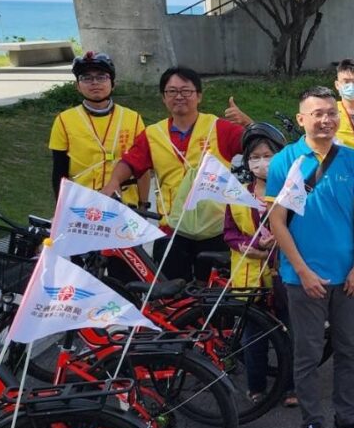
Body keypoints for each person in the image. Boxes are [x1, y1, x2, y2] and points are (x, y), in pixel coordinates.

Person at [265, 86, 354, 428]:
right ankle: (312, 425)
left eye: (331, 113)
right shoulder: (285, 161)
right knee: (308, 354)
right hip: (302, 278)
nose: (326, 119)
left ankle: (347, 419)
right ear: (301, 119)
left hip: (348, 276)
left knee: (349, 350)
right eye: (317, 114)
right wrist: (302, 270)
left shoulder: (352, 160)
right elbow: (277, 222)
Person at [103, 67, 245, 283]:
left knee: (217, 293)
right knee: (170, 294)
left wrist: (248, 123)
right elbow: (130, 162)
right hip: (171, 228)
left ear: (199, 96)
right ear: (164, 98)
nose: (179, 96)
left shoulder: (219, 128)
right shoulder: (153, 134)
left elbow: (261, 147)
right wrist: (114, 181)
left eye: (186, 91)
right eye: (172, 91)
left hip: (216, 228)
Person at [223, 121, 292, 408]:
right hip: (250, 275)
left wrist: (280, 242)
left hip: (285, 274)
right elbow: (229, 232)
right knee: (253, 335)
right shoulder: (238, 194)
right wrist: (247, 246)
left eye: (267, 156)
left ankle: (290, 386)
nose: (261, 162)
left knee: (290, 332)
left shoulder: (291, 192)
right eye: (255, 157)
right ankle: (256, 385)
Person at [49, 52, 148, 207]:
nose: (94, 82)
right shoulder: (64, 120)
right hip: (82, 205)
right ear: (77, 86)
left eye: (101, 77)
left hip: (125, 205)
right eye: (86, 78)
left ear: (113, 83)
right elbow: (59, 171)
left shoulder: (133, 118)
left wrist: (143, 204)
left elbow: (142, 167)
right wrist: (60, 208)